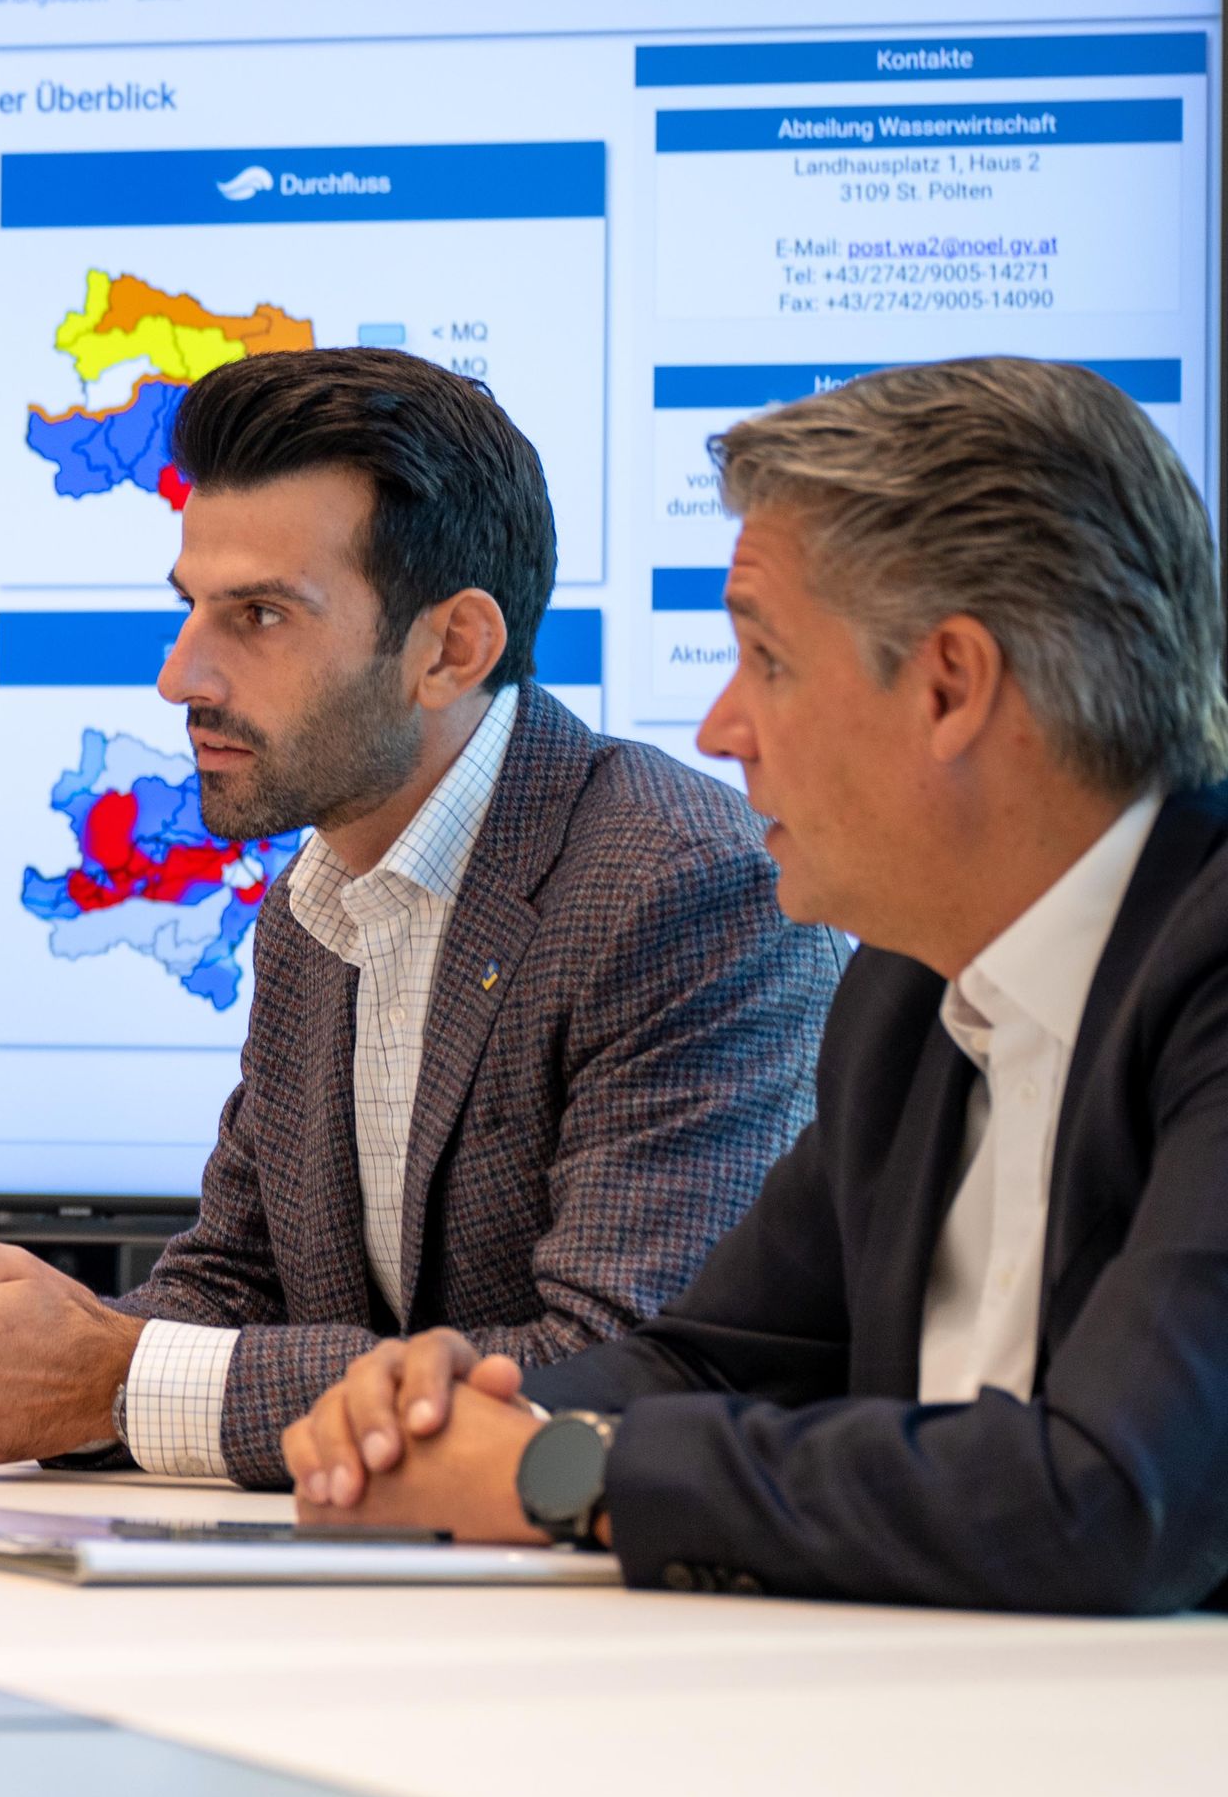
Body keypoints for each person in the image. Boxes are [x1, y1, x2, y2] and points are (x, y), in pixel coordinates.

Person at [0, 348, 842, 1484]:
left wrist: (109, 1380)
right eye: (191, 610)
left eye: (259, 615)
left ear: (450, 648)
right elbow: (235, 1286)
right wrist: (6, 1348)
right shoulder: (314, 902)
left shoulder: (683, 889)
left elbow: (615, 1368)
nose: (181, 678)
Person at [284, 359, 1228, 1613]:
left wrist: (569, 1480)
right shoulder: (903, 995)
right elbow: (713, 1363)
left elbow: (1109, 1500)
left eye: (765, 661)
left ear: (950, 684)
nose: (721, 728)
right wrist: (434, 1420)